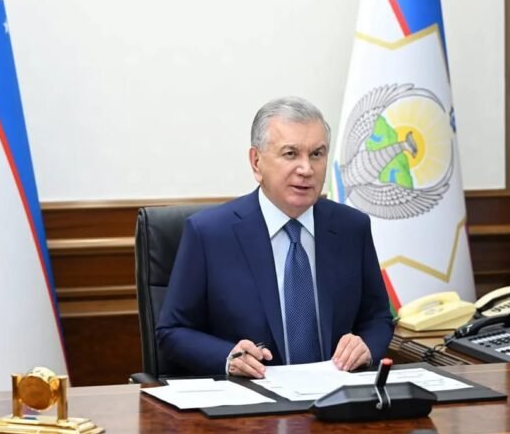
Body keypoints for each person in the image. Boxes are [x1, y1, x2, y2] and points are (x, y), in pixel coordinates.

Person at [156, 96, 393, 378]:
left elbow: (378, 318)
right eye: (291, 154)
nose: (306, 169)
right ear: (256, 162)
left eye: (317, 154)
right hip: (252, 396)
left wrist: (366, 346)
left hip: (336, 393)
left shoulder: (351, 227)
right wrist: (228, 357)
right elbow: (172, 331)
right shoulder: (209, 233)